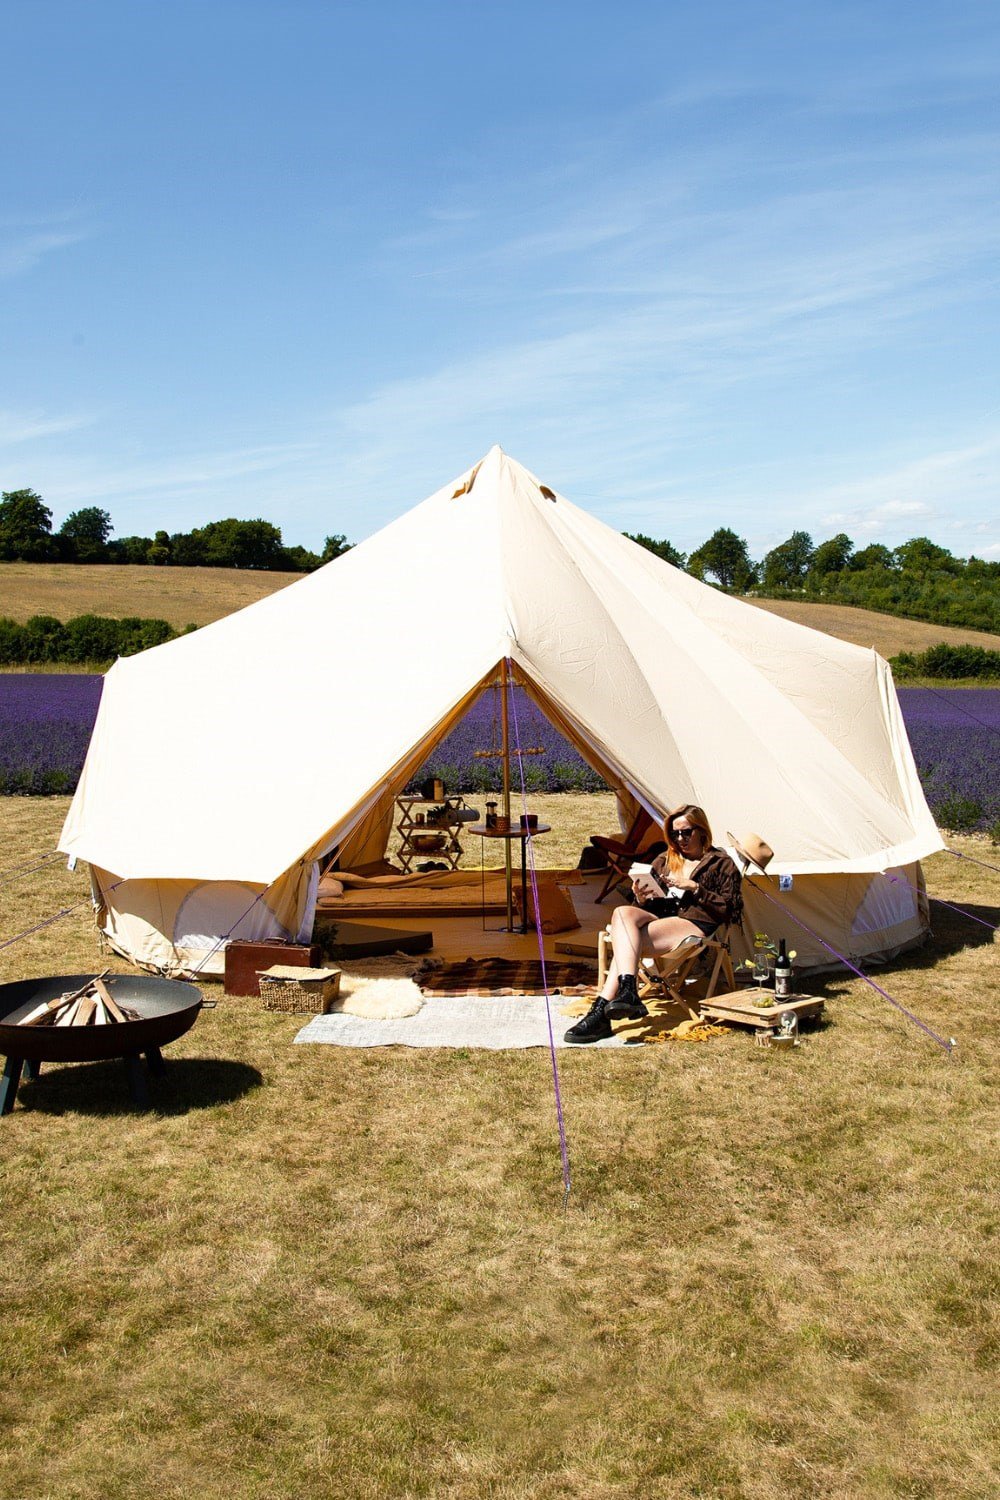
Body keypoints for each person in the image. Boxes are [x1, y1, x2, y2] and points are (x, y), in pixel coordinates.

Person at [565, 803, 743, 1043]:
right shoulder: (666, 859)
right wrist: (640, 896)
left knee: (625, 944)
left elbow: (729, 909)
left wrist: (697, 889)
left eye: (686, 832)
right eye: (675, 833)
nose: (680, 838)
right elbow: (647, 904)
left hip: (694, 920)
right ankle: (628, 990)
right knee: (622, 913)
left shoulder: (721, 863)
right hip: (661, 915)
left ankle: (600, 1012)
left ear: (701, 831)